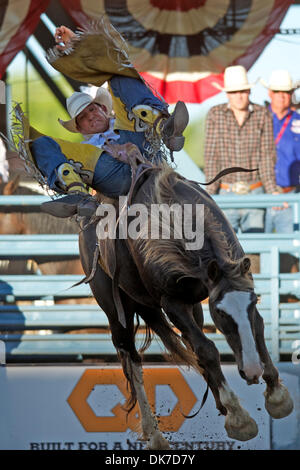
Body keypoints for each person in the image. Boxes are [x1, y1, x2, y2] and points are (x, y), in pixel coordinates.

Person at [30, 24, 189, 218]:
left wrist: (76, 46)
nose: (91, 117)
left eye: (92, 109)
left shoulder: (126, 118)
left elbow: (117, 61)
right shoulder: (87, 149)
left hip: (144, 153)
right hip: (108, 172)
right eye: (84, 118)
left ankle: (163, 126)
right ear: (80, 128)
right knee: (39, 142)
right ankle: (77, 193)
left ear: (103, 109)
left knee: (119, 77)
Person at [204, 65, 280, 233]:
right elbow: (211, 157)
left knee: (255, 250)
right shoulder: (215, 114)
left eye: (243, 91)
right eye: (234, 92)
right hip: (225, 192)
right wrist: (209, 192)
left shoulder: (262, 114)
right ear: (227, 94)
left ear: (249, 92)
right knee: (225, 251)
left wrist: (272, 190)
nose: (238, 96)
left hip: (255, 190)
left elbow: (267, 156)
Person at [261, 69, 300, 233]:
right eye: (278, 91)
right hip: (260, 196)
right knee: (255, 254)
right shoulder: (258, 118)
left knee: (291, 252)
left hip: (290, 196)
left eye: (287, 92)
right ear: (270, 93)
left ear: (292, 93)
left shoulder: (298, 120)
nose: (282, 96)